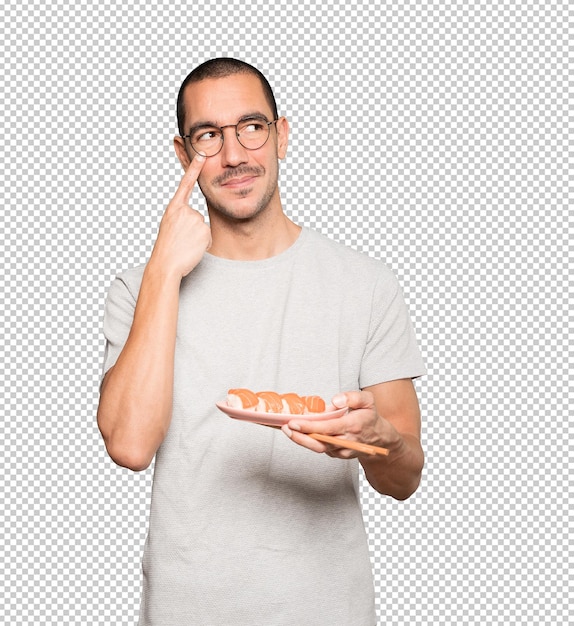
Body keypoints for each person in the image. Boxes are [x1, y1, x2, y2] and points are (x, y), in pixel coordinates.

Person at [97, 58, 426, 626]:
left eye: (252, 127)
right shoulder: (140, 287)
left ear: (282, 136)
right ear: (184, 155)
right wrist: (162, 272)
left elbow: (404, 477)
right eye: (209, 136)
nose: (233, 156)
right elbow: (129, 446)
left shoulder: (366, 283)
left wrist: (380, 442)